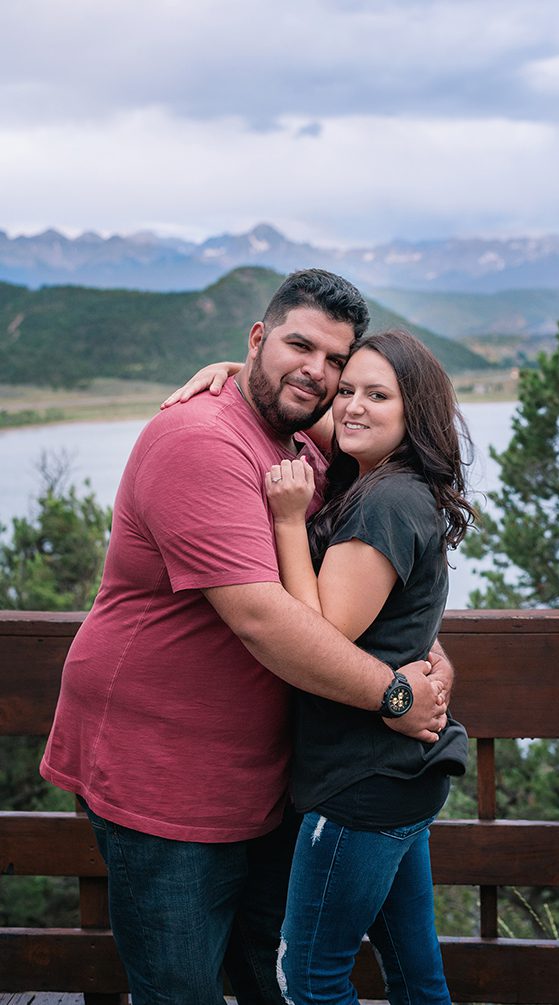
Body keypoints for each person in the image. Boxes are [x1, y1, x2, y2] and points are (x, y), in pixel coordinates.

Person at [40, 269, 453, 1005]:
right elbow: (266, 618)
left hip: (265, 778)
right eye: (300, 345)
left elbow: (368, 572)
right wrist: (393, 691)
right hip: (162, 777)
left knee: (274, 976)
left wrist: (419, 645)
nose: (319, 373)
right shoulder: (201, 442)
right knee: (181, 987)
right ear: (258, 337)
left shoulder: (306, 437)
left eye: (335, 360)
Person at [263, 328, 472, 1002]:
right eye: (346, 389)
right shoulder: (398, 481)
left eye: (376, 394)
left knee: (308, 977)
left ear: (414, 413)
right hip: (399, 774)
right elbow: (317, 411)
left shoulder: (383, 501)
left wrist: (290, 520)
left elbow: (316, 632)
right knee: (415, 972)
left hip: (361, 779)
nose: (351, 406)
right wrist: (231, 368)